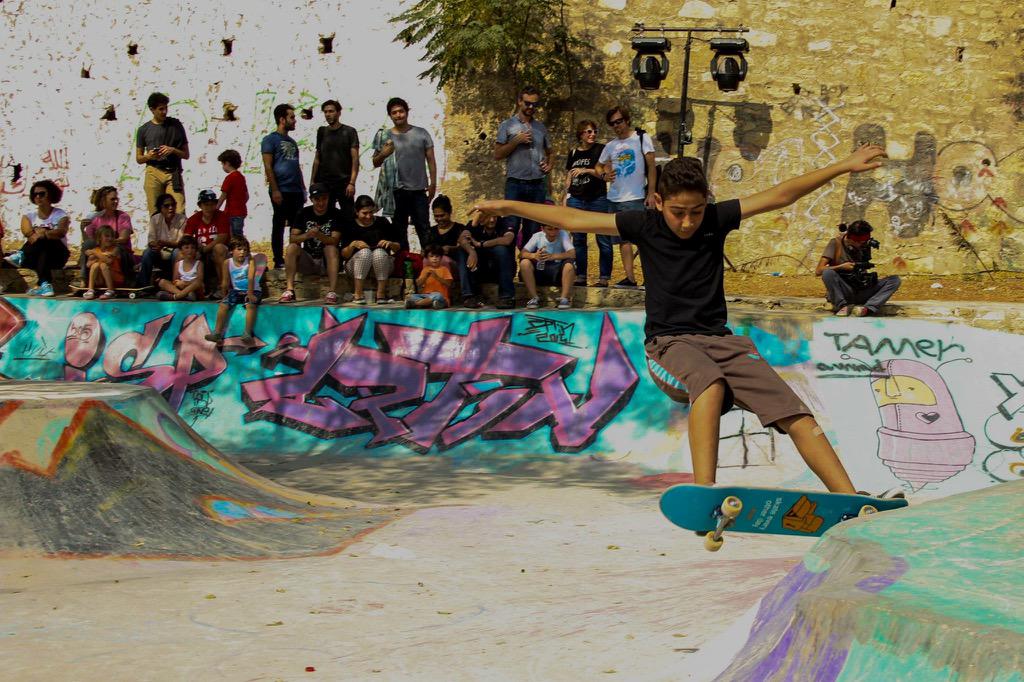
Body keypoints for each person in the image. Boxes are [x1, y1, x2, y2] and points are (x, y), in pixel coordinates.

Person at [471, 144, 891, 496]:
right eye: (677, 212)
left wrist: (842, 166)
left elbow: (780, 195)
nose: (687, 222)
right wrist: (505, 203)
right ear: (658, 203)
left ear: (706, 200)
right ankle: (704, 492)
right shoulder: (644, 223)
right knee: (709, 384)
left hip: (725, 342)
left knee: (796, 414)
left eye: (695, 211)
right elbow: (572, 218)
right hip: (670, 345)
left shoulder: (716, 218)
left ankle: (849, 499)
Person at [597, 106, 657, 289]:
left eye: (619, 121)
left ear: (627, 120)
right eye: (613, 123)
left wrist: (651, 193)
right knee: (623, 241)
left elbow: (652, 166)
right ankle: (630, 278)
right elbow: (598, 166)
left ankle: (652, 278)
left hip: (636, 196)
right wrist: (603, 176)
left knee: (643, 240)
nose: (617, 126)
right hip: (615, 198)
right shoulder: (611, 146)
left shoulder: (641, 138)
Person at [371, 97, 436, 252]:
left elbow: (431, 161)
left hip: (418, 191)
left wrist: (433, 183)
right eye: (394, 113)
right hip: (396, 193)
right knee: (399, 233)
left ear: (407, 112)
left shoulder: (421, 133)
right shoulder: (384, 136)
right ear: (390, 115)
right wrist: (383, 154)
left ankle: (428, 266)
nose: (398, 115)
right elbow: (375, 162)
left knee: (424, 231)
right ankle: (405, 270)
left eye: (401, 111)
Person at [494, 86, 551, 246]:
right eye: (527, 103)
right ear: (519, 101)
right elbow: (497, 154)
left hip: (537, 185)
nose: (531, 107)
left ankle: (526, 269)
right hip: (515, 184)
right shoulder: (507, 125)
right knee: (510, 230)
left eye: (535, 104)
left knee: (532, 232)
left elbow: (550, 152)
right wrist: (515, 141)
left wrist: (549, 164)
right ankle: (508, 270)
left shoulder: (540, 127)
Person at [3, 179, 70, 297]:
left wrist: (44, 232)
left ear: (51, 194)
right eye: (35, 194)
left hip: (58, 255)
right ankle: (45, 284)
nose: (38, 196)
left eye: (42, 194)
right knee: (43, 245)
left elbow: (61, 232)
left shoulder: (60, 214)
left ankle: (21, 255)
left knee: (45, 239)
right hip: (34, 256)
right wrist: (43, 233)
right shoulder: (29, 215)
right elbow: (27, 232)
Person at [279, 183, 344, 304]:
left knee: (330, 248)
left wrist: (319, 235)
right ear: (311, 200)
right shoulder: (303, 213)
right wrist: (308, 235)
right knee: (291, 248)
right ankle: (289, 290)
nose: (321, 203)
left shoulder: (335, 214)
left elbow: (335, 240)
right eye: (317, 199)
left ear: (328, 198)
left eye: (324, 199)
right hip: (308, 260)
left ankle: (332, 291)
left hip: (327, 261)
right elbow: (293, 238)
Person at [563, 119, 608, 286]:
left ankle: (604, 278)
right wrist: (565, 196)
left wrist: (586, 170)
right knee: (579, 240)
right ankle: (581, 275)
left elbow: (605, 173)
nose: (593, 134)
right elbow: (569, 175)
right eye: (589, 132)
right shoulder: (573, 153)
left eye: (594, 131)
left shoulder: (601, 150)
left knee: (603, 238)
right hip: (576, 199)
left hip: (597, 199)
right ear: (581, 134)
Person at [261, 103, 305, 269]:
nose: (294, 121)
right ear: (282, 119)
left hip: (296, 191)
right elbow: (268, 166)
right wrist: (275, 189)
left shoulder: (293, 142)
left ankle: (296, 259)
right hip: (281, 190)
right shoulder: (270, 140)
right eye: (292, 117)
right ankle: (278, 260)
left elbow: (296, 166)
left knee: (297, 227)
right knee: (279, 224)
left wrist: (302, 188)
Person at [135, 92, 189, 216]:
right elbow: (139, 158)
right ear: (152, 110)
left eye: (166, 108)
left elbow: (186, 154)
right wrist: (149, 156)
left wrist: (173, 150)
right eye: (160, 109)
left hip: (173, 172)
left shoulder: (176, 125)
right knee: (155, 213)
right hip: (153, 172)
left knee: (178, 211)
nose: (164, 112)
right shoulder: (143, 130)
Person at [342, 195, 403, 304]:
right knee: (365, 253)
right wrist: (353, 245)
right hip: (356, 267)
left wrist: (390, 243)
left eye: (371, 212)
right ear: (357, 212)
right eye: (364, 213)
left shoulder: (382, 222)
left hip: (381, 266)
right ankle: (358, 293)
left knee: (379, 253)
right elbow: (344, 255)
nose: (368, 216)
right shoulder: (350, 225)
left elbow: (398, 246)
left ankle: (381, 294)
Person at [206, 236, 262, 346]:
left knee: (250, 305)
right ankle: (217, 333)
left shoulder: (250, 261)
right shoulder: (227, 263)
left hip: (253, 290)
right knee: (223, 305)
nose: (242, 252)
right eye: (239, 249)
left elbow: (251, 278)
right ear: (231, 251)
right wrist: (224, 296)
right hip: (236, 291)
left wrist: (250, 293)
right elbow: (225, 282)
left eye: (245, 250)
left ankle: (247, 332)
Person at [456, 212, 515, 309]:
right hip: (479, 269)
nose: (492, 220)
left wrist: (481, 244)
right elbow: (462, 239)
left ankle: (507, 297)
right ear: (482, 218)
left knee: (501, 249)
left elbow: (507, 239)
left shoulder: (504, 223)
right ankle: (468, 296)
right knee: (462, 250)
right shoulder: (474, 224)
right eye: (488, 217)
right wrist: (471, 252)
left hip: (499, 270)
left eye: (494, 216)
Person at [310, 99, 359, 215]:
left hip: (344, 182)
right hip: (325, 182)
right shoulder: (322, 132)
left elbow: (355, 159)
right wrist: (312, 181)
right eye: (325, 112)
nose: (328, 114)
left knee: (348, 215)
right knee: (327, 215)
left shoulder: (349, 132)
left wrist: (352, 182)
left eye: (331, 111)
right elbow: (317, 158)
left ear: (338, 113)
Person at [183, 189, 230, 296]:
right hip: (199, 250)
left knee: (219, 248)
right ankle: (184, 286)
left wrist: (205, 249)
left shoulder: (222, 216)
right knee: (181, 253)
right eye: (206, 204)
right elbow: (186, 239)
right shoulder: (193, 219)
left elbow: (222, 237)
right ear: (200, 205)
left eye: (212, 204)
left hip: (216, 252)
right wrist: (195, 248)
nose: (209, 207)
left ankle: (223, 286)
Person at [83, 186, 134, 283]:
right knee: (87, 245)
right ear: (103, 201)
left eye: (116, 199)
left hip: (120, 252)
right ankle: (84, 279)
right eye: (112, 199)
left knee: (118, 248)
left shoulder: (122, 216)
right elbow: (88, 241)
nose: (116, 202)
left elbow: (124, 238)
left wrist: (106, 242)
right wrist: (82, 229)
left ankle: (125, 279)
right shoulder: (95, 218)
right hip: (102, 250)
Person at [520, 223, 576, 309]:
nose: (553, 232)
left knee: (569, 265)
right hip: (541, 270)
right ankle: (534, 297)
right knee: (524, 263)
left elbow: (572, 254)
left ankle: (564, 298)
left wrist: (553, 256)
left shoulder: (563, 234)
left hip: (557, 271)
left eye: (556, 229)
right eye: (549, 229)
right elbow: (522, 253)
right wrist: (534, 255)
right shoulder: (537, 236)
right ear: (542, 229)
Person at [138, 192, 186, 286]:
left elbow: (181, 243)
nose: (171, 208)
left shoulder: (182, 219)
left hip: (174, 253)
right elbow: (151, 240)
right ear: (161, 208)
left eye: (173, 205)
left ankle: (175, 283)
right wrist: (154, 245)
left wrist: (165, 243)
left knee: (177, 252)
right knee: (148, 252)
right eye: (167, 206)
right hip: (159, 253)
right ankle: (143, 285)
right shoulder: (155, 219)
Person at [156, 235, 204, 301]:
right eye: (186, 248)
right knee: (162, 282)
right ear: (181, 250)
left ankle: (175, 297)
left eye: (192, 248)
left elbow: (199, 281)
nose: (190, 250)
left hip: (193, 289)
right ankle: (184, 296)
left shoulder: (199, 264)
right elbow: (175, 281)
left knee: (197, 283)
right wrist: (179, 284)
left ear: (196, 250)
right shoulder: (178, 264)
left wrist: (185, 283)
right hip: (181, 288)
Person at [82, 226, 125, 300]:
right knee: (95, 265)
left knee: (103, 265)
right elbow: (88, 265)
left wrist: (95, 254)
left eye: (112, 236)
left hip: (115, 279)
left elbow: (109, 261)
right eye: (107, 236)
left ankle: (111, 290)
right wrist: (96, 258)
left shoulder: (115, 249)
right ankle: (90, 290)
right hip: (100, 280)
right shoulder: (96, 250)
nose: (110, 239)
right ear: (99, 238)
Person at [405, 244, 453, 309]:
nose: (434, 258)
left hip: (441, 296)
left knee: (437, 296)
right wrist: (425, 276)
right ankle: (429, 303)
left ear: (441, 258)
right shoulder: (426, 269)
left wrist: (437, 277)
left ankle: (416, 304)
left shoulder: (444, 269)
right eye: (431, 256)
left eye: (437, 256)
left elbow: (449, 284)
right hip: (426, 295)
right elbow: (418, 284)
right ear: (427, 258)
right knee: (412, 296)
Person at [217, 149, 249, 237]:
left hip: (231, 212)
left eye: (222, 164)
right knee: (238, 234)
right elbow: (246, 196)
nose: (222, 166)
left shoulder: (229, 178)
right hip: (241, 211)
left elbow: (223, 196)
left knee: (234, 236)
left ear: (227, 163)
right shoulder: (241, 177)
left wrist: (216, 209)